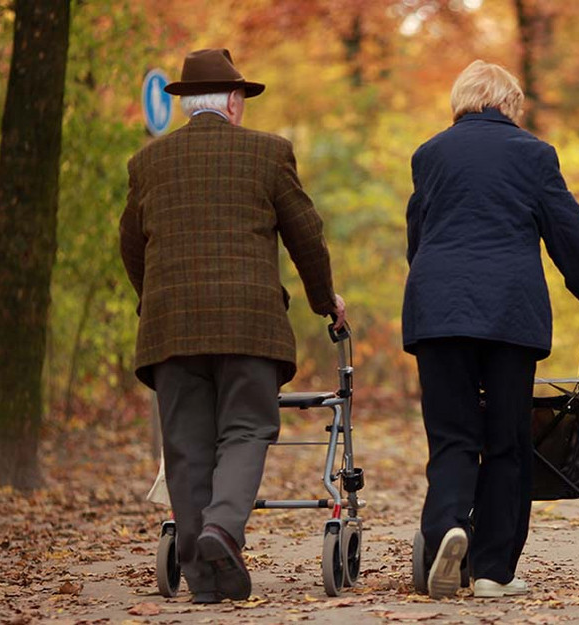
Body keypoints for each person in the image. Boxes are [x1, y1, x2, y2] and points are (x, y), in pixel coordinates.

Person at [119, 48, 345, 604]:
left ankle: (206, 581)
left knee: (187, 447)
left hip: (170, 329)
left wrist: (156, 301)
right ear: (235, 103)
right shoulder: (269, 153)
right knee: (246, 430)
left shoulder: (148, 162)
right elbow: (306, 236)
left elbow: (130, 245)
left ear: (184, 105)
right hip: (249, 325)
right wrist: (325, 302)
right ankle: (223, 527)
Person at [403, 60, 579, 599]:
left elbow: (419, 236)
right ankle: (494, 571)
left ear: (464, 100)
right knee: (506, 442)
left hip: (439, 312)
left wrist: (435, 297)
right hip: (507, 315)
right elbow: (567, 228)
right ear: (508, 104)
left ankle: (449, 525)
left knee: (451, 437)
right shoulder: (534, 155)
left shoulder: (429, 154)